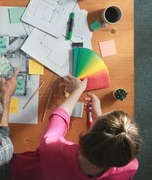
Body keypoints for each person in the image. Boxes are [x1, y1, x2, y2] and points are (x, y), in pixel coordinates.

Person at [10, 75, 143, 180]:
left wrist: (77, 90)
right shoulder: (129, 167)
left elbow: (59, 118)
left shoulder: (54, 148)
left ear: (90, 134)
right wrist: (100, 121)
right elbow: (111, 145)